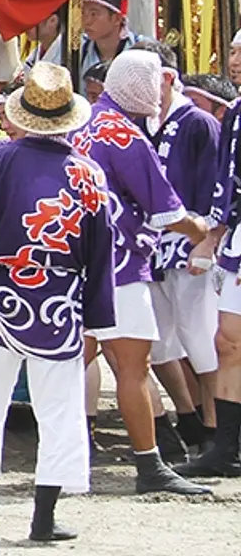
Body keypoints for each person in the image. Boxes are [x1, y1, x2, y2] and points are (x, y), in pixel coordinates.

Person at [0, 62, 115, 543]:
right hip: (61, 300)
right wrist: (96, 320)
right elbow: (100, 253)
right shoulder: (87, 174)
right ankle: (43, 517)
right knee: (58, 408)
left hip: (1, 291)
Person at [71, 48, 211, 496]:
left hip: (73, 258)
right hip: (119, 263)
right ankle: (149, 466)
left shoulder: (84, 121)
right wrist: (199, 228)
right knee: (132, 367)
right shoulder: (123, 134)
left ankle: (64, 458)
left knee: (73, 362)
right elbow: (164, 207)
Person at [144, 47, 226, 458]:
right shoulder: (145, 122)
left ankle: (215, 427)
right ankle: (190, 416)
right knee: (159, 341)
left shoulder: (198, 122)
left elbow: (215, 186)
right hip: (153, 246)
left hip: (189, 243)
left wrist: (207, 238)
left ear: (168, 78)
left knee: (199, 336)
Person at [183, 75, 241, 477]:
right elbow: (229, 184)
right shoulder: (236, 113)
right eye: (235, 53)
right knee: (228, 342)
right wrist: (214, 236)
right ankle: (226, 447)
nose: (235, 62)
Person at [78, 0, 141, 73]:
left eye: (94, 14)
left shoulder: (141, 49)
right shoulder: (78, 48)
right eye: (83, 13)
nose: (86, 21)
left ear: (117, 19)